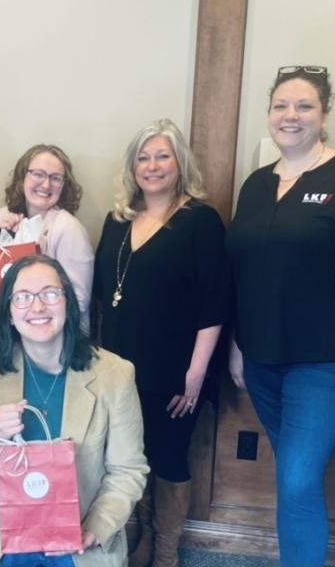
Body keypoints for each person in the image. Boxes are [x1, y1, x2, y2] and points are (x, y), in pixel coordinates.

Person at [227, 66, 335, 566]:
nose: (291, 116)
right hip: (262, 363)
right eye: (281, 106)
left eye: (304, 106)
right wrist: (239, 345)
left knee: (300, 479)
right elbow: (243, 271)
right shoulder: (257, 186)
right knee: (292, 478)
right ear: (269, 115)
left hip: (326, 365)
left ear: (323, 113)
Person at [93, 119, 227, 567]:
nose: (152, 166)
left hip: (175, 369)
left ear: (179, 163)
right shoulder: (117, 220)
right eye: (143, 157)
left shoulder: (200, 220)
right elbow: (101, 295)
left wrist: (196, 374)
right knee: (127, 454)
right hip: (119, 366)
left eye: (162, 156)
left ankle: (165, 550)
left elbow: (214, 303)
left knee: (168, 456)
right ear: (133, 167)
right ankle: (138, 538)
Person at [0, 254, 148, 567]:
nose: (37, 307)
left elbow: (128, 471)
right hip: (3, 537)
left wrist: (95, 529)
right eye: (22, 297)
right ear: (7, 312)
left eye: (50, 293)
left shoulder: (116, 374)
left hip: (79, 539)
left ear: (68, 304)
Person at [0, 144, 94, 329]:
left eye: (55, 178)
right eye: (38, 174)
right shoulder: (0, 217)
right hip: (7, 331)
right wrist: (4, 240)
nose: (46, 184)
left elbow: (78, 301)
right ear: (22, 178)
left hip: (53, 336)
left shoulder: (69, 228)